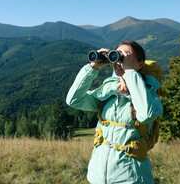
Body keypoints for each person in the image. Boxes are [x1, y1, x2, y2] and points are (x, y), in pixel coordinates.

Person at [66, 41, 163, 184]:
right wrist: (93, 68)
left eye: (126, 56)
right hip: (97, 176)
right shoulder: (107, 93)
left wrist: (129, 72)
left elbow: (146, 114)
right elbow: (74, 100)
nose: (119, 61)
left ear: (140, 64)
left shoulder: (149, 96)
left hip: (131, 178)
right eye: (116, 56)